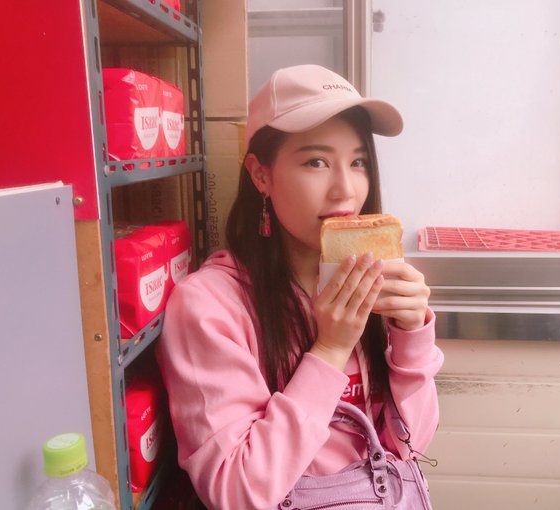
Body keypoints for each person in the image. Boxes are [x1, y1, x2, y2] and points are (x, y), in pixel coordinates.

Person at [156, 64, 444, 509]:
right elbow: (237, 491)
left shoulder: (374, 282)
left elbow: (408, 447)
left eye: (358, 162)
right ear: (261, 175)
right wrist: (330, 350)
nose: (345, 191)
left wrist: (412, 338)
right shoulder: (208, 305)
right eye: (317, 162)